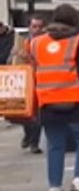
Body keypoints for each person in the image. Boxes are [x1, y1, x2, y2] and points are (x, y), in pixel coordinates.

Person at [33, 4, 79, 191]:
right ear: (74, 21)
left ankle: (54, 187)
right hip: (74, 100)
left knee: (55, 144)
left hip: (47, 101)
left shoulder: (36, 43)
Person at [14, 15, 46, 153]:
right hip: (26, 84)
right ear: (29, 28)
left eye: (40, 27)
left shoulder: (46, 44)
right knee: (25, 114)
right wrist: (15, 55)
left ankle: (34, 143)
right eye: (34, 26)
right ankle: (28, 135)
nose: (37, 29)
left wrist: (29, 58)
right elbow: (15, 61)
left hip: (41, 83)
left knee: (37, 116)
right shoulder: (24, 43)